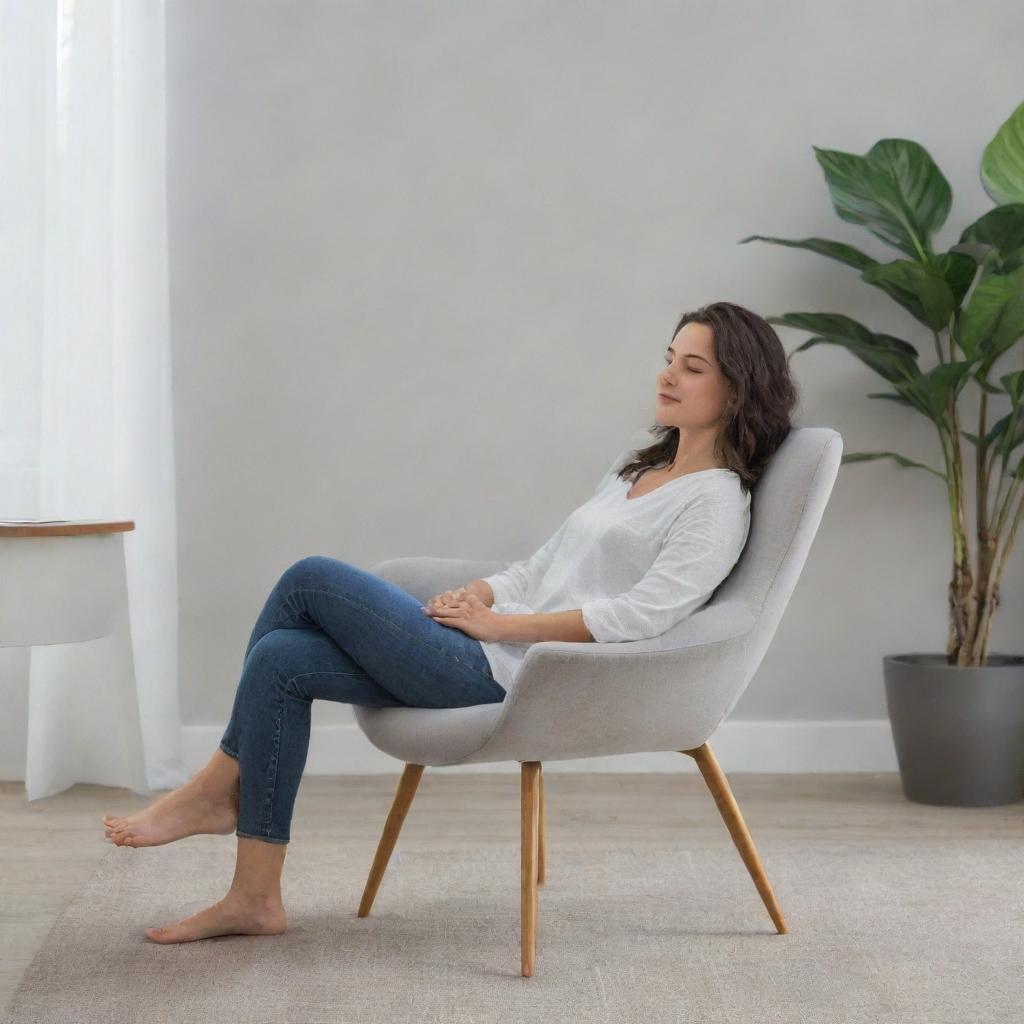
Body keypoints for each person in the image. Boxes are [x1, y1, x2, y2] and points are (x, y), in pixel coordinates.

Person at [101, 300, 797, 944]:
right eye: (670, 356)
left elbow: (644, 615)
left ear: (736, 390)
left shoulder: (715, 502)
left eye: (691, 366)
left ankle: (212, 789)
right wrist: (480, 596)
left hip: (518, 677)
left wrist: (503, 632)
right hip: (486, 648)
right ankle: (255, 897)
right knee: (282, 658)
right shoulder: (636, 469)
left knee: (309, 577)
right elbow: (544, 563)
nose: (666, 374)